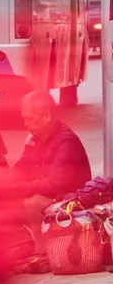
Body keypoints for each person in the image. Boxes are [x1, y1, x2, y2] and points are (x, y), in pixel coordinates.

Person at [12, 90, 91, 272]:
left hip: (69, 204)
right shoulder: (34, 140)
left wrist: (18, 188)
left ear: (46, 115)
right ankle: (23, 246)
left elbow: (56, 183)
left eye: (30, 119)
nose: (25, 124)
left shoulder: (66, 142)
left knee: (32, 203)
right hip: (51, 199)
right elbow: (21, 168)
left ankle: (44, 255)